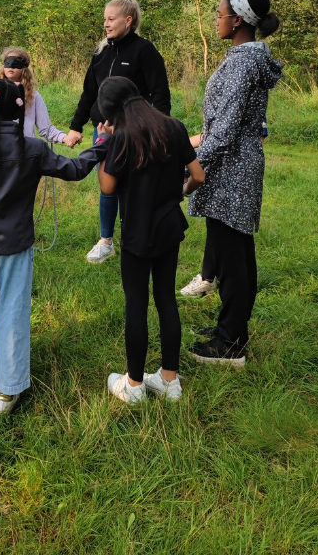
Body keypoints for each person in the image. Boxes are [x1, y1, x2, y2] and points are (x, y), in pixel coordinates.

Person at [0, 79, 110, 418]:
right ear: (22, 108)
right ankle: (8, 394)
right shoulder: (33, 149)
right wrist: (101, 145)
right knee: (13, 314)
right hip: (18, 244)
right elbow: (76, 169)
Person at [187, 0, 282, 367]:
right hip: (236, 162)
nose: (216, 18)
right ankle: (231, 330)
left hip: (232, 167)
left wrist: (193, 166)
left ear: (238, 20)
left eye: (220, 13)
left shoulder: (243, 64)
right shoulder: (244, 58)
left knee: (233, 258)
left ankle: (230, 346)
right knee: (235, 252)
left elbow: (224, 130)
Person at [96, 77, 205, 403]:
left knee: (137, 305)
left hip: (137, 233)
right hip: (170, 227)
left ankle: (133, 385)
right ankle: (169, 381)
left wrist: (104, 142)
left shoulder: (122, 137)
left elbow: (107, 187)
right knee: (166, 299)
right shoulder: (173, 126)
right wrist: (180, 192)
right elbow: (197, 175)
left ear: (112, 111)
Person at [63, 0, 171, 264]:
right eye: (104, 18)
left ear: (129, 20)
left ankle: (136, 235)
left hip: (136, 132)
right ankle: (106, 241)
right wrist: (76, 127)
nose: (105, 23)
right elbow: (89, 93)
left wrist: (158, 130)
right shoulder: (101, 54)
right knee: (108, 185)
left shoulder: (145, 51)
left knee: (135, 186)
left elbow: (160, 95)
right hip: (103, 133)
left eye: (111, 18)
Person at [181, 116, 269, 300]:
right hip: (224, 174)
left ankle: (212, 284)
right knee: (215, 226)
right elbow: (215, 135)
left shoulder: (243, 97)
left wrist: (182, 148)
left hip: (235, 180)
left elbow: (254, 140)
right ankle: (208, 279)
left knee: (229, 241)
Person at [0, 47, 73, 146]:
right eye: (8, 62)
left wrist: (65, 138)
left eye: (16, 63)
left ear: (24, 68)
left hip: (26, 149)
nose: (11, 66)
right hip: (0, 148)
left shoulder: (33, 96)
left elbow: (46, 128)